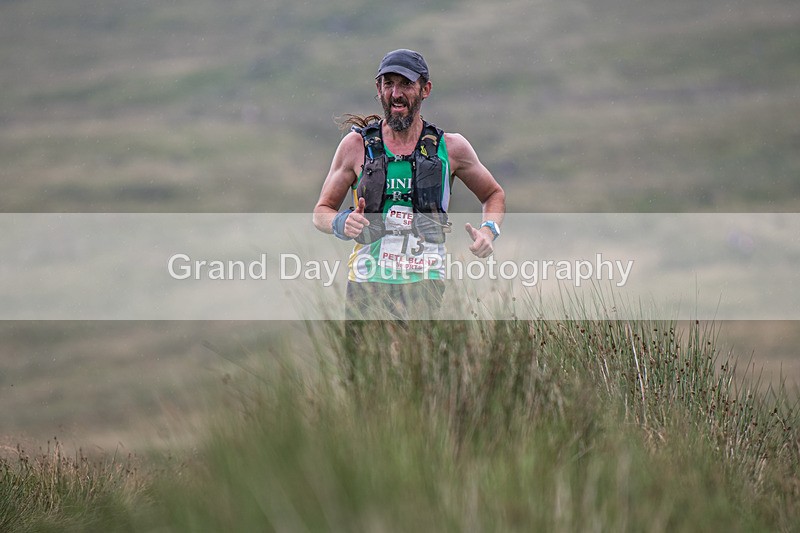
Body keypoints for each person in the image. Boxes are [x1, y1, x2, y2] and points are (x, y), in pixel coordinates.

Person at [313, 49, 505, 321]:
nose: (396, 93)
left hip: (425, 282)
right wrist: (340, 222)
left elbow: (493, 194)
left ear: (425, 89)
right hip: (367, 280)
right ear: (378, 89)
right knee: (365, 365)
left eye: (405, 84)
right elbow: (321, 211)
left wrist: (489, 230)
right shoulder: (356, 147)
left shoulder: (450, 148)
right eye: (388, 84)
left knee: (417, 364)